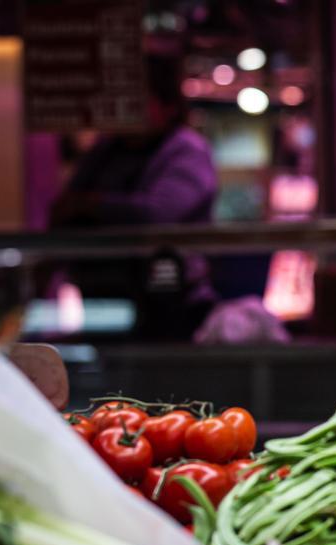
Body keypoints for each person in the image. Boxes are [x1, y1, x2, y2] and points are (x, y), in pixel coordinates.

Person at [48, 51, 217, 339]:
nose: (122, 106)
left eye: (136, 97)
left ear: (165, 104)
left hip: (170, 303)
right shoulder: (107, 148)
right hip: (102, 302)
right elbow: (64, 206)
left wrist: (91, 205)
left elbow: (158, 214)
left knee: (161, 383)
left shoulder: (187, 149)